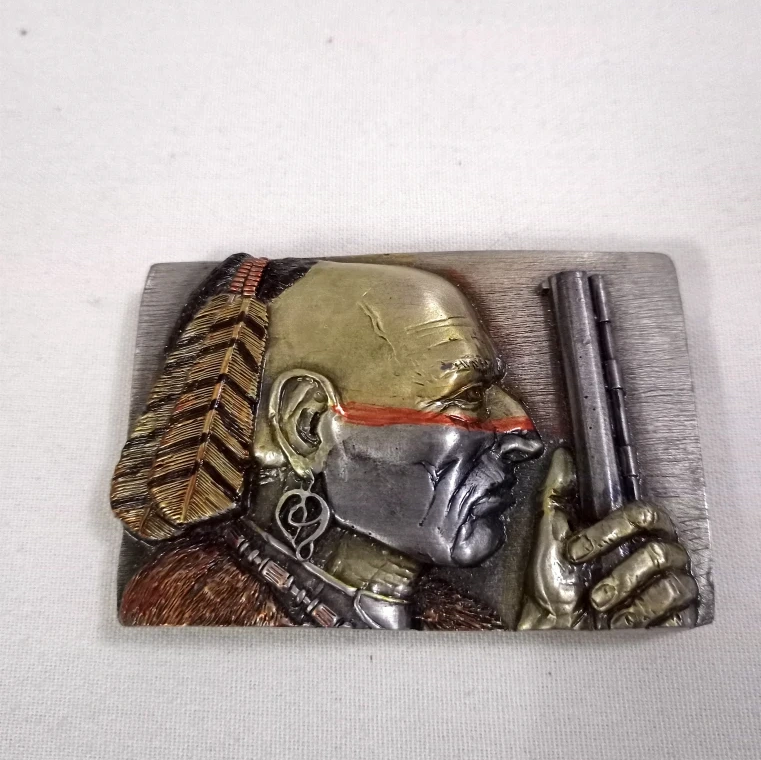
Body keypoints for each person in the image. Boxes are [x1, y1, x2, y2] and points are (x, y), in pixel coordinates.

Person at [115, 256, 697, 629]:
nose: (523, 434)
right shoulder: (193, 609)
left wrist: (562, 628)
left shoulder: (438, 615)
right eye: (467, 396)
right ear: (307, 425)